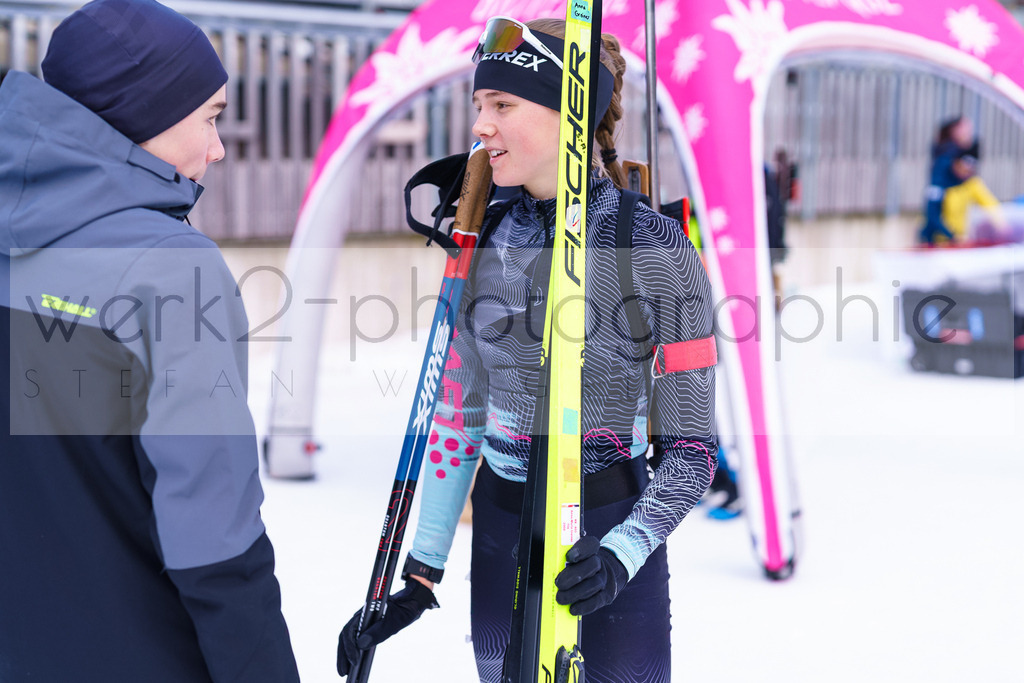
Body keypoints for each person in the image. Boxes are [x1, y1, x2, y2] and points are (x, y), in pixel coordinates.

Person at [337, 16, 718, 682]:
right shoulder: (483, 239)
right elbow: (459, 418)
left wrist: (622, 553)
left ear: (571, 113)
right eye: (479, 106)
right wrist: (420, 576)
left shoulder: (655, 246)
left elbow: (693, 450)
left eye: (502, 105)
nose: (481, 125)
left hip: (606, 540)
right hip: (500, 530)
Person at [0, 1, 298, 681]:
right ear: (142, 115)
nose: (218, 149)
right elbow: (213, 532)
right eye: (211, 118)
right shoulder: (170, 268)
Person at [919, 115, 978, 245]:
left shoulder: (960, 157)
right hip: (936, 240)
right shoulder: (944, 160)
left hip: (949, 236)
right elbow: (932, 211)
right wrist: (952, 236)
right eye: (966, 130)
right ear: (954, 131)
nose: (970, 134)